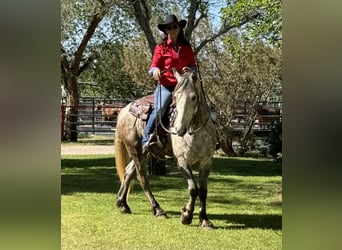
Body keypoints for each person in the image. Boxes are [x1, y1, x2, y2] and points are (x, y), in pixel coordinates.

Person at [142, 14, 198, 153]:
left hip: (183, 86)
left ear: (179, 28)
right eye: (169, 28)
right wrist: (155, 71)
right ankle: (146, 139)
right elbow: (153, 66)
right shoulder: (160, 48)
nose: (172, 29)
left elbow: (194, 66)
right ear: (166, 30)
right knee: (160, 109)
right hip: (166, 85)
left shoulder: (186, 47)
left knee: (199, 105)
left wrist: (190, 69)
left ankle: (208, 137)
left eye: (174, 26)